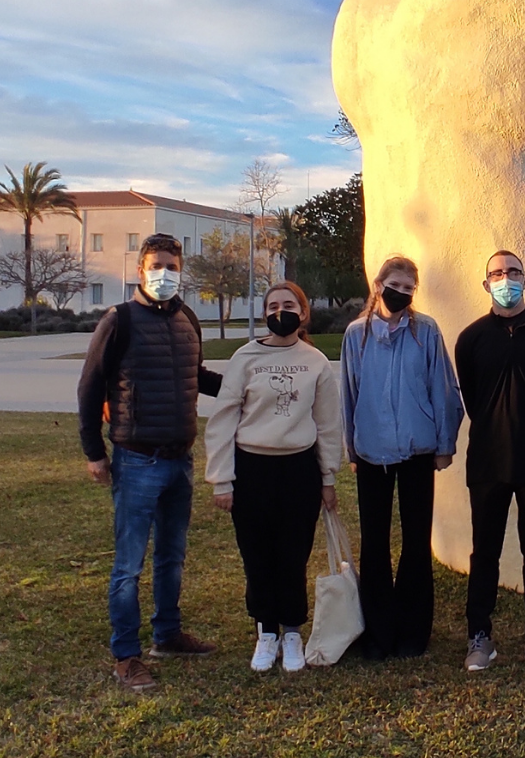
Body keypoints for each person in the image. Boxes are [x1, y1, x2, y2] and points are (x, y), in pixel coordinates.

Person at [76, 233, 219, 692]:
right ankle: (126, 655)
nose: (165, 274)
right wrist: (94, 452)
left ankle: (168, 635)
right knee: (128, 566)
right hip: (136, 460)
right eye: (156, 266)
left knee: (172, 557)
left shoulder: (187, 319)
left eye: (172, 267)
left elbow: (197, 377)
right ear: (140, 270)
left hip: (180, 461)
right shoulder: (118, 320)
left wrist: (250, 378)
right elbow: (89, 387)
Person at [206, 281, 343, 673]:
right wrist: (222, 478)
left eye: (288, 304)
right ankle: (266, 631)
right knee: (257, 555)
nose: (280, 311)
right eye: (272, 305)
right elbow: (224, 418)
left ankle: (293, 631)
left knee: (293, 554)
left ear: (302, 313)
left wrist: (328, 477)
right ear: (264, 313)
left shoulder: (315, 361)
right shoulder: (244, 357)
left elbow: (328, 423)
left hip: (298, 470)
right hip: (252, 470)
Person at [454, 250, 525, 674]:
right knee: (484, 552)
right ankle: (479, 637)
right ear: (486, 284)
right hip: (487, 461)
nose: (506, 279)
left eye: (514, 272)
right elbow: (472, 396)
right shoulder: (471, 338)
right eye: (497, 273)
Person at [341, 256, 464, 660]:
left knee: (415, 542)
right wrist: (352, 446)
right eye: (396, 284)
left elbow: (443, 387)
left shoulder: (425, 331)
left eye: (410, 288)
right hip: (372, 451)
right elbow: (348, 394)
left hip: (416, 451)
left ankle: (413, 632)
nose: (402, 292)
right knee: (374, 543)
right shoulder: (355, 335)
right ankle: (378, 633)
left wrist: (444, 445)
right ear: (378, 284)